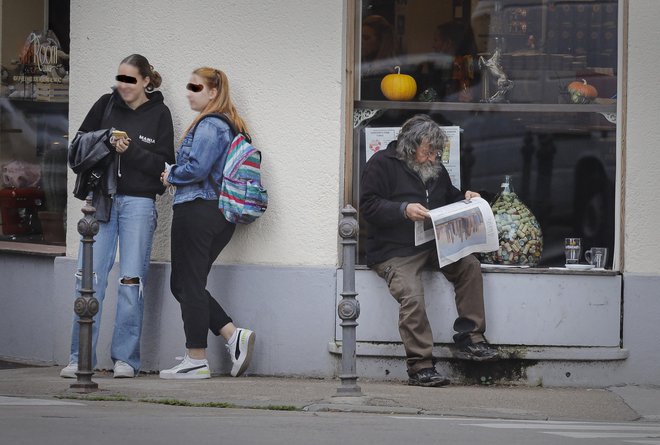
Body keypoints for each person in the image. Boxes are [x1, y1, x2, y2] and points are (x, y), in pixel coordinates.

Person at [360, 114, 499, 388]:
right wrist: (403, 210)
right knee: (411, 294)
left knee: (469, 265)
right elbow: (368, 206)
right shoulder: (381, 164)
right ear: (410, 148)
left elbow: (450, 198)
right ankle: (421, 365)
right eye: (428, 151)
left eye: (437, 152)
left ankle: (470, 336)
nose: (433, 158)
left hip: (434, 243)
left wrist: (468, 198)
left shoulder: (436, 168)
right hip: (394, 250)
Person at [61, 54, 175, 378]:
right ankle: (78, 358)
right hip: (102, 201)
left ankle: (126, 359)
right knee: (89, 281)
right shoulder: (104, 104)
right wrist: (106, 138)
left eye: (130, 79)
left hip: (139, 203)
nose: (123, 85)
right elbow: (77, 146)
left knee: (131, 282)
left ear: (146, 82)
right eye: (119, 78)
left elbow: (166, 167)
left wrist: (131, 150)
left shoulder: (160, 114)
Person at [159, 67, 255, 380]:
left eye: (195, 87)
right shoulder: (224, 123)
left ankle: (196, 358)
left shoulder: (211, 124)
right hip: (215, 214)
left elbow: (197, 168)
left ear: (213, 92)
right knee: (185, 284)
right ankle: (232, 335)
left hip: (198, 209)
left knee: (188, 284)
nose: (188, 92)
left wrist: (170, 175)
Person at [360, 15, 399, 100]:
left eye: (366, 38)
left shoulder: (384, 73)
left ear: (380, 42)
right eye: (360, 38)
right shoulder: (364, 67)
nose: (361, 42)